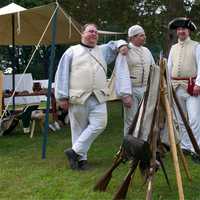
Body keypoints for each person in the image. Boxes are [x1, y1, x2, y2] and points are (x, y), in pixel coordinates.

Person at [55, 23, 127, 170]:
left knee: (100, 124)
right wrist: (62, 97)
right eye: (90, 31)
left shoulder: (103, 50)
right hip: (78, 96)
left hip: (99, 96)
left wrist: (122, 45)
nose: (94, 34)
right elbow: (62, 74)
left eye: (96, 32)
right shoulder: (71, 51)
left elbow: (116, 43)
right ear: (82, 34)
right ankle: (80, 161)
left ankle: (74, 151)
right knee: (78, 129)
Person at [168, 17, 200, 156]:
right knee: (180, 119)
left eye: (184, 29)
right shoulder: (173, 48)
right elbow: (169, 67)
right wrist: (167, 84)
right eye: (179, 29)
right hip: (175, 87)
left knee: (194, 119)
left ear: (189, 31)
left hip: (191, 86)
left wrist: (198, 84)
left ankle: (196, 147)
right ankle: (185, 145)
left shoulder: (197, 46)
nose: (181, 31)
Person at [115, 25, 155, 136]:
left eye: (144, 35)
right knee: (131, 121)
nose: (144, 37)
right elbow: (120, 73)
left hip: (146, 90)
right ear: (132, 37)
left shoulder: (147, 51)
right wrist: (125, 95)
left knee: (145, 119)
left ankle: (142, 145)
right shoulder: (125, 51)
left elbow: (153, 68)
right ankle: (128, 149)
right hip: (131, 90)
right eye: (141, 35)